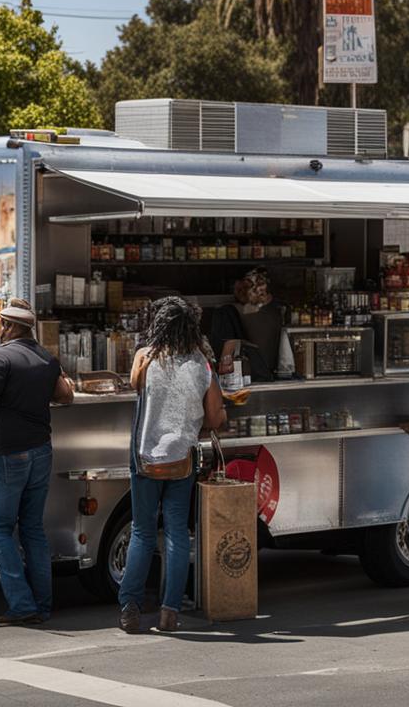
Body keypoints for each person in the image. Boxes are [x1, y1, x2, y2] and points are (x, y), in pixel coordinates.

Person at [119, 296, 227, 634]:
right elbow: (213, 418)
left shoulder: (145, 359)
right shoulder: (202, 366)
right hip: (181, 460)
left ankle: (131, 608)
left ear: (159, 326)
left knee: (142, 530)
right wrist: (222, 412)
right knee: (178, 533)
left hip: (145, 458)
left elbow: (133, 383)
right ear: (192, 328)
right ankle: (170, 611)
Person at [0, 298, 74, 626]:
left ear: (9, 326)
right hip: (41, 450)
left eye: (1, 324)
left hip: (10, 452)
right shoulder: (46, 358)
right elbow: (65, 396)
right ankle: (42, 605)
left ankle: (21, 603)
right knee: (32, 528)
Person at [209, 267, 293, 383]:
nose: (240, 291)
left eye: (247, 286)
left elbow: (228, 349)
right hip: (261, 377)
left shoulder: (276, 311)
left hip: (253, 377)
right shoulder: (278, 310)